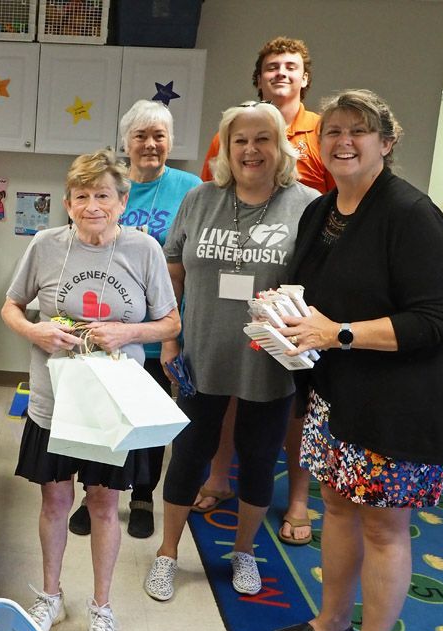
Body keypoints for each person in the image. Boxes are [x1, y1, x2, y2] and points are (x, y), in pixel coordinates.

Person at [270, 90, 443, 631]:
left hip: (397, 404)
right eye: (332, 131)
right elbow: (314, 294)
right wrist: (284, 321)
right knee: (338, 506)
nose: (343, 140)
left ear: (386, 141)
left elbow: (438, 321)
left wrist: (338, 332)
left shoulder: (410, 213)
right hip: (337, 394)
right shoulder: (320, 211)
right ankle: (330, 622)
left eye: (359, 130)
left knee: (384, 527)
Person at [2, 149, 180, 631]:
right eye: (82, 196)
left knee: (103, 505)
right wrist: (35, 329)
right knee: (54, 503)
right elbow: (10, 307)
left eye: (103, 195)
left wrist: (128, 331)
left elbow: (170, 323)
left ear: (123, 201)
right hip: (52, 403)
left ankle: (103, 609)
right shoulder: (44, 244)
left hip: (112, 407)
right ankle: (51, 598)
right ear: (67, 201)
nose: (92, 206)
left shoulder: (144, 249)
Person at [144, 102, 318, 602]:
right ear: (226, 147)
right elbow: (171, 273)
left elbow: (319, 285)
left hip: (269, 361)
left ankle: (244, 551)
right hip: (201, 355)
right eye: (240, 139)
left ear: (279, 146)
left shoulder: (305, 204)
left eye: (263, 139)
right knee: (188, 456)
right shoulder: (200, 200)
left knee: (260, 460)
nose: (251, 149)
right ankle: (167, 553)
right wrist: (170, 338)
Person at [195, 37, 334, 548]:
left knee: (292, 404)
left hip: (294, 293)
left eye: (291, 66)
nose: (280, 73)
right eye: (271, 66)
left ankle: (298, 497)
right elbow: (217, 189)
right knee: (232, 392)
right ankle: (217, 477)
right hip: (234, 290)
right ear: (258, 77)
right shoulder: (228, 132)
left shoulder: (322, 132)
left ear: (305, 77)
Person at [67, 100, 200, 539]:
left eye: (159, 135)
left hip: (158, 328)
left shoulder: (189, 188)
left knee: (147, 418)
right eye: (140, 135)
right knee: (102, 418)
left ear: (171, 141)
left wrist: (169, 339)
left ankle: (142, 494)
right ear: (125, 142)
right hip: (102, 331)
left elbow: (189, 264)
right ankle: (96, 494)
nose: (150, 144)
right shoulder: (110, 185)